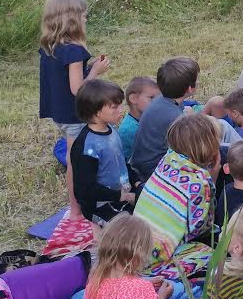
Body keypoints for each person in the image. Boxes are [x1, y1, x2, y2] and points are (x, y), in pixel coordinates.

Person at [39, 0, 110, 218]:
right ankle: (77, 210)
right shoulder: (75, 51)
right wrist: (96, 72)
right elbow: (78, 89)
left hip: (59, 114)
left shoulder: (50, 46)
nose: (86, 20)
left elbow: (62, 81)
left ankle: (78, 206)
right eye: (84, 16)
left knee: (74, 157)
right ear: (72, 20)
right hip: (75, 116)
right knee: (76, 163)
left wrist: (89, 70)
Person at [133, 112, 220, 272]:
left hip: (135, 244)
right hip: (156, 257)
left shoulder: (168, 158)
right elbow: (200, 228)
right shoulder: (199, 181)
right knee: (214, 256)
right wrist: (213, 177)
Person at [84, 213, 173, 299]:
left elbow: (119, 293)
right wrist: (160, 298)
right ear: (139, 254)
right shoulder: (142, 289)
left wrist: (147, 286)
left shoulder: (94, 279)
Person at [70, 79, 135, 225]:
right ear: (96, 111)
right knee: (130, 232)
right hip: (99, 205)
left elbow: (121, 162)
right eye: (114, 107)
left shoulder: (112, 130)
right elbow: (85, 190)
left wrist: (136, 181)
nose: (120, 110)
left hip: (122, 196)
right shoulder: (87, 147)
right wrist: (122, 196)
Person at [129, 57, 199, 185]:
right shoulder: (177, 119)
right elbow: (191, 151)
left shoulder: (161, 99)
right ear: (190, 89)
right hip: (154, 171)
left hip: (143, 163)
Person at [117, 76, 157, 162]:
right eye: (152, 98)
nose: (157, 102)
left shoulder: (146, 119)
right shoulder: (130, 129)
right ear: (133, 99)